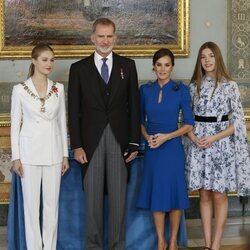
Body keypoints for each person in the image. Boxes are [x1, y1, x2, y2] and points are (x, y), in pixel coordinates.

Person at [68, 18, 140, 250]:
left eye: (109, 36)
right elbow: (74, 111)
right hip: (90, 143)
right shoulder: (78, 68)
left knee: (119, 200)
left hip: (120, 141)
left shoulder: (127, 66)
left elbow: (134, 108)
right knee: (93, 202)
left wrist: (133, 142)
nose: (105, 40)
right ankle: (93, 246)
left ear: (115, 38)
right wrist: (77, 145)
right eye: (101, 36)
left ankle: (118, 246)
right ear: (92, 38)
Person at [185, 41, 250, 250]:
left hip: (220, 145)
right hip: (198, 144)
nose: (207, 60)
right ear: (199, 61)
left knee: (219, 194)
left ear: (217, 58)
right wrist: (194, 137)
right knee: (203, 194)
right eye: (203, 57)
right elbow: (186, 119)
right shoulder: (194, 86)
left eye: (211, 56)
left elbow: (238, 123)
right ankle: (206, 244)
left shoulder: (229, 85)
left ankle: (216, 245)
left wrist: (214, 138)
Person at [10, 44, 69, 250]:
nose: (49, 64)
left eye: (52, 60)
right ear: (34, 61)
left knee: (51, 208)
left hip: (53, 154)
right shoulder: (19, 90)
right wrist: (16, 157)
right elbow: (15, 125)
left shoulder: (59, 89)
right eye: (45, 59)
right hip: (28, 155)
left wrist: (65, 155)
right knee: (31, 208)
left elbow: (62, 122)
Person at [136, 48, 194, 250]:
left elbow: (188, 124)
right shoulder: (145, 90)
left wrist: (166, 137)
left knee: (175, 195)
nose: (162, 69)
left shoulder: (181, 90)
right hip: (153, 148)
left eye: (167, 65)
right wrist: (148, 138)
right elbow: (139, 121)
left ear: (172, 67)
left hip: (172, 149)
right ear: (153, 67)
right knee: (157, 194)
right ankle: (161, 241)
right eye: (159, 64)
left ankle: (173, 242)